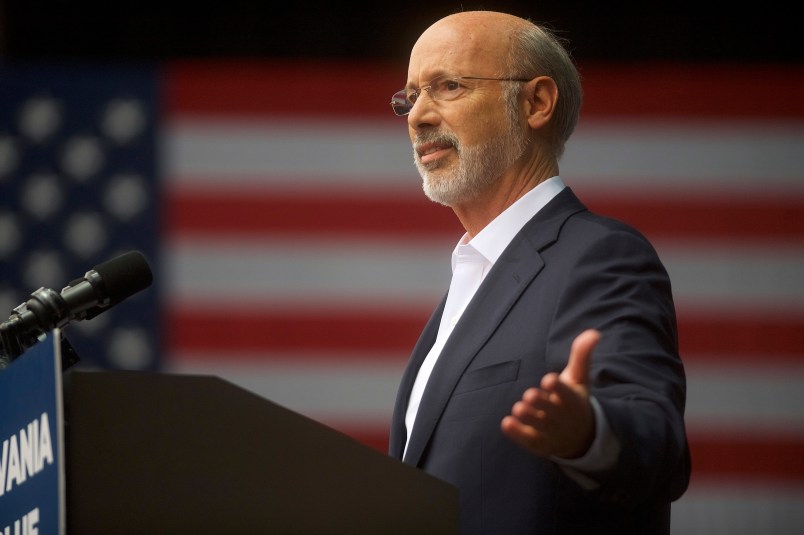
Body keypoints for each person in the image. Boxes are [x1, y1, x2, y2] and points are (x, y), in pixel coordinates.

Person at [387, 10, 691, 534]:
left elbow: (656, 444)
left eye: (449, 86)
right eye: (411, 97)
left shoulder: (599, 256)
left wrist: (588, 432)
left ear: (536, 102)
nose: (418, 116)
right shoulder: (473, 276)